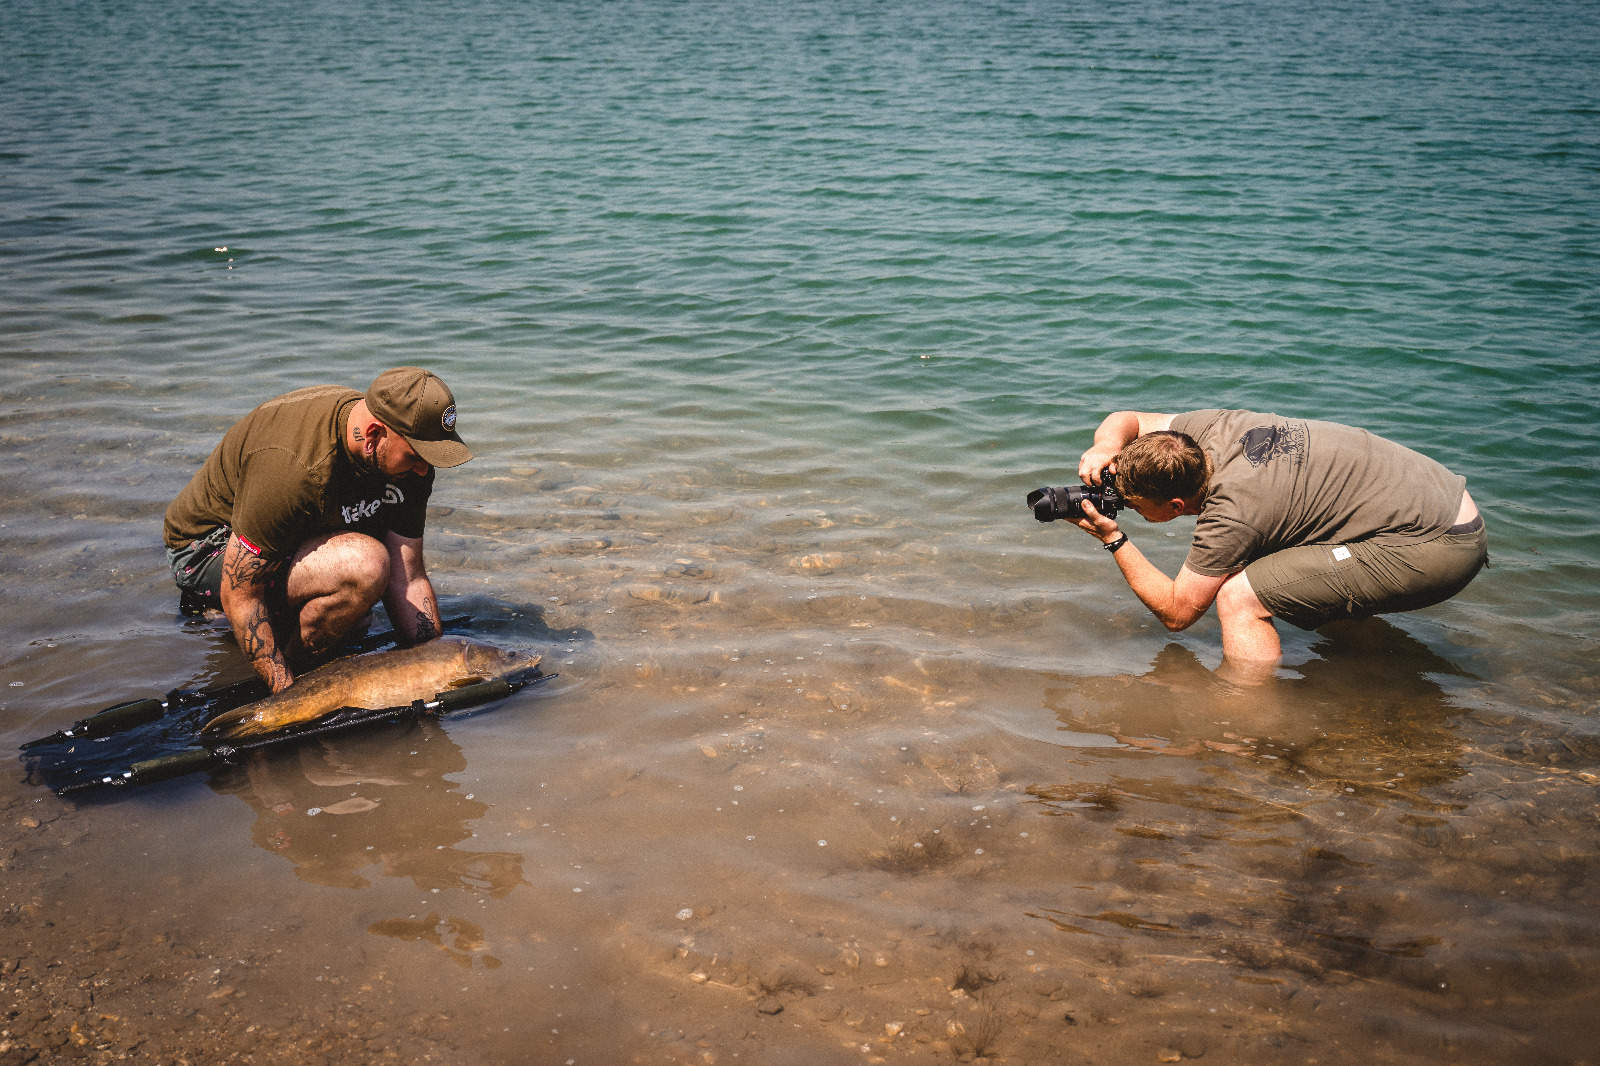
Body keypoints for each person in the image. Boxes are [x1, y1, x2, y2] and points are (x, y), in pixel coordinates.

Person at [1067, 409, 1487, 674]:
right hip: (1438, 498)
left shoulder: (1233, 514)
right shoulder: (1203, 433)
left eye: (1138, 507)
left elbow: (1178, 614)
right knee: (1284, 566)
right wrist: (1107, 445)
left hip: (1436, 545)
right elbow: (1130, 419)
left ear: (1176, 506)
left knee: (1239, 597)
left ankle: (1248, 721)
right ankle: (1377, 668)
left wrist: (1114, 537)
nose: (1128, 508)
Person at [163, 367, 472, 693]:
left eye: (432, 455)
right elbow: (240, 593)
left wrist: (434, 663)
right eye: (416, 455)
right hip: (208, 546)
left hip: (290, 535)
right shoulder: (295, 466)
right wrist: (287, 698)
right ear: (373, 435)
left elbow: (407, 576)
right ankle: (294, 675)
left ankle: (289, 629)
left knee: (360, 609)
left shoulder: (410, 465)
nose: (424, 469)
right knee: (364, 567)